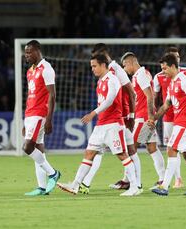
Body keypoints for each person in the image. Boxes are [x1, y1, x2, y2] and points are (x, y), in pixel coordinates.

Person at [57, 54, 140, 196]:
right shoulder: (101, 81)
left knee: (122, 155)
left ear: (103, 65)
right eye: (91, 66)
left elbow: (109, 100)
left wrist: (93, 113)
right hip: (101, 125)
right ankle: (75, 185)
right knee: (89, 153)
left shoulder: (112, 79)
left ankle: (134, 187)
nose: (92, 69)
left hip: (113, 124)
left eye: (94, 66)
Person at [79, 43, 140, 193]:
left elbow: (132, 93)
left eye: (98, 55)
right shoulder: (102, 75)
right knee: (97, 151)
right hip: (109, 117)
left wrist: (131, 115)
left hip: (121, 116)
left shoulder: (116, 70)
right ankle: (84, 183)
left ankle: (136, 184)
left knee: (129, 152)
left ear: (105, 54)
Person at [150, 53, 186, 196]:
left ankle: (164, 186)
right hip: (180, 123)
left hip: (185, 123)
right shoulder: (172, 83)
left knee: (171, 149)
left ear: (172, 66)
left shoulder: (184, 80)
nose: (163, 72)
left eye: (165, 68)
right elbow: (166, 106)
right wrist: (154, 118)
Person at [121, 52, 166, 189]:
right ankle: (163, 179)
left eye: (124, 65)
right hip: (144, 116)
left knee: (131, 148)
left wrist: (150, 117)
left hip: (144, 117)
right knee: (151, 147)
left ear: (131, 62)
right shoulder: (141, 74)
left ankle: (131, 181)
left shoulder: (140, 75)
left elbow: (149, 95)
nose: (124, 69)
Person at [23, 40, 61, 196]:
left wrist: (49, 119)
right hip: (30, 114)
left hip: (40, 114)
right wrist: (24, 119)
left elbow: (52, 95)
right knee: (38, 149)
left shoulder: (46, 68)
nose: (26, 55)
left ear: (37, 50)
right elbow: (30, 95)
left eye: (29, 52)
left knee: (27, 148)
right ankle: (42, 187)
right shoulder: (30, 71)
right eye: (25, 52)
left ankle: (53, 173)